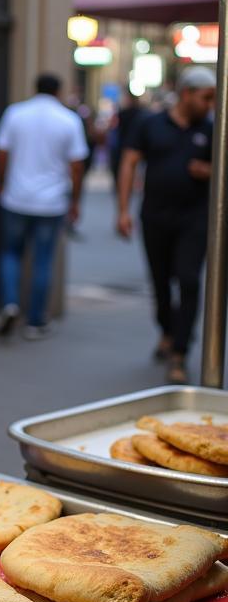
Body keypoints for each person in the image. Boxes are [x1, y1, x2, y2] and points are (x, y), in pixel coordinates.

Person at [117, 64, 216, 384]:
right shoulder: (151, 124)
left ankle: (180, 352)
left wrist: (210, 171)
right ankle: (167, 330)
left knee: (188, 280)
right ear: (186, 94)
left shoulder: (213, 128)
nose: (210, 104)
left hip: (195, 218)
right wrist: (123, 210)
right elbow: (129, 162)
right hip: (156, 216)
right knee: (160, 282)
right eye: (206, 97)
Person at [0, 73, 89, 339]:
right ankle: (35, 321)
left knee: (11, 253)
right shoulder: (69, 120)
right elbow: (77, 166)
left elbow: (1, 152)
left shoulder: (16, 113)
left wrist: (1, 182)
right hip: (52, 201)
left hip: (16, 197)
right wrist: (76, 200)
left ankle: (10, 303)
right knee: (43, 260)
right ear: (58, 91)